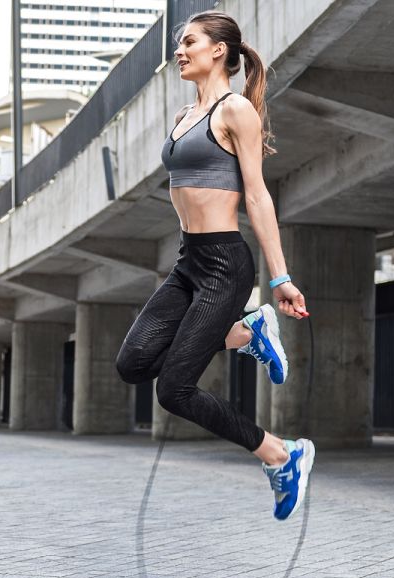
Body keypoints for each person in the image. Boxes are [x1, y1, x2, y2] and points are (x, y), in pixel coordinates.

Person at [114, 10, 314, 521]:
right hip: (189, 262)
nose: (180, 52)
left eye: (189, 42)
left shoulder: (236, 111)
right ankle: (249, 336)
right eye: (180, 44)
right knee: (132, 363)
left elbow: (258, 196)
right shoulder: (184, 115)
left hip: (225, 263)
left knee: (174, 390)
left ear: (219, 50)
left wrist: (281, 278)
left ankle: (280, 453)